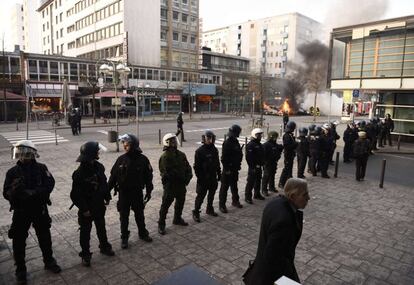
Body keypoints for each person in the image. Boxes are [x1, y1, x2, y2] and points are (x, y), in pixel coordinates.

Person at [3, 140, 61, 284]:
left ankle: (49, 261)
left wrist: (34, 192)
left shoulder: (41, 168)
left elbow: (50, 184)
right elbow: (5, 192)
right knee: (18, 239)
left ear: (32, 154)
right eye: (21, 154)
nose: (23, 157)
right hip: (21, 210)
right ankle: (20, 269)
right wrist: (13, 192)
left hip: (38, 208)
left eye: (26, 154)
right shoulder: (12, 172)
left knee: (44, 236)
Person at [243, 178, 310, 285]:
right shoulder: (284, 221)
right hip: (273, 275)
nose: (308, 198)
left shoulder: (275, 202)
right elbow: (272, 257)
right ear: (292, 196)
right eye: (304, 195)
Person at [70, 141, 115, 266]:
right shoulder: (79, 173)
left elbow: (103, 183)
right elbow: (75, 195)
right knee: (85, 232)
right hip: (87, 208)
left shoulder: (99, 167)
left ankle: (104, 246)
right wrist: (84, 209)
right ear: (91, 154)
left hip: (98, 205)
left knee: (101, 227)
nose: (98, 152)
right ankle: (85, 254)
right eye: (96, 151)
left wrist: (107, 195)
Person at [108, 134, 153, 249]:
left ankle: (143, 233)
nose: (124, 146)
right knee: (124, 216)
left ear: (133, 145)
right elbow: (113, 177)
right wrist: (106, 191)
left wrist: (149, 191)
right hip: (124, 193)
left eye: (127, 145)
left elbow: (148, 176)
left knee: (139, 214)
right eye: (124, 144)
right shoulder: (121, 159)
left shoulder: (143, 159)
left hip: (137, 192)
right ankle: (124, 237)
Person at [158, 133, 193, 235]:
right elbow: (167, 172)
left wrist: (187, 178)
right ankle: (161, 223)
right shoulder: (165, 157)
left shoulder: (181, 154)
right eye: (172, 141)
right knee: (165, 205)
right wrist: (179, 178)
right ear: (167, 142)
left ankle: (177, 218)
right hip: (170, 186)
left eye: (174, 140)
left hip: (181, 185)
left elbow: (188, 167)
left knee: (180, 202)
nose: (174, 143)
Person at [192, 130, 221, 222]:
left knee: (211, 195)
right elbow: (196, 167)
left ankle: (209, 208)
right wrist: (201, 178)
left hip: (213, 177)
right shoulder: (199, 151)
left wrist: (219, 174)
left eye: (212, 138)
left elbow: (217, 163)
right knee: (200, 196)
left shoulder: (214, 149)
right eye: (208, 138)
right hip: (204, 178)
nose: (210, 140)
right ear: (204, 139)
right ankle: (196, 211)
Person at [218, 124, 243, 213]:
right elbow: (224, 158)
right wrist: (227, 169)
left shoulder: (236, 141)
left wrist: (238, 164)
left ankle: (235, 201)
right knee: (224, 188)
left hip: (235, 169)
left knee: (234, 186)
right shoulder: (227, 143)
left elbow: (239, 154)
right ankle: (222, 205)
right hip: (228, 170)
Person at [245, 128, 265, 204]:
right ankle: (248, 197)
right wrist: (252, 166)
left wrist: (262, 163)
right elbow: (249, 158)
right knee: (250, 182)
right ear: (254, 135)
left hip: (259, 166)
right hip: (253, 167)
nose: (260, 136)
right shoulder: (251, 145)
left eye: (260, 134)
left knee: (258, 181)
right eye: (258, 135)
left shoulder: (259, 144)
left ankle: (257, 194)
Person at [261, 131, 283, 196]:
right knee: (266, 176)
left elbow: (278, 149)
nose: (276, 139)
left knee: (272, 175)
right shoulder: (266, 145)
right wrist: (265, 162)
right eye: (275, 137)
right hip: (268, 163)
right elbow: (263, 155)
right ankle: (264, 190)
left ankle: (271, 187)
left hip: (274, 162)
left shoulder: (275, 144)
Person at [278, 121, 297, 188]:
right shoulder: (286, 136)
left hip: (291, 154)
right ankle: (281, 182)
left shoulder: (290, 135)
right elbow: (287, 146)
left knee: (289, 168)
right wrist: (295, 144)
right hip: (288, 154)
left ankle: (289, 181)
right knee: (286, 169)